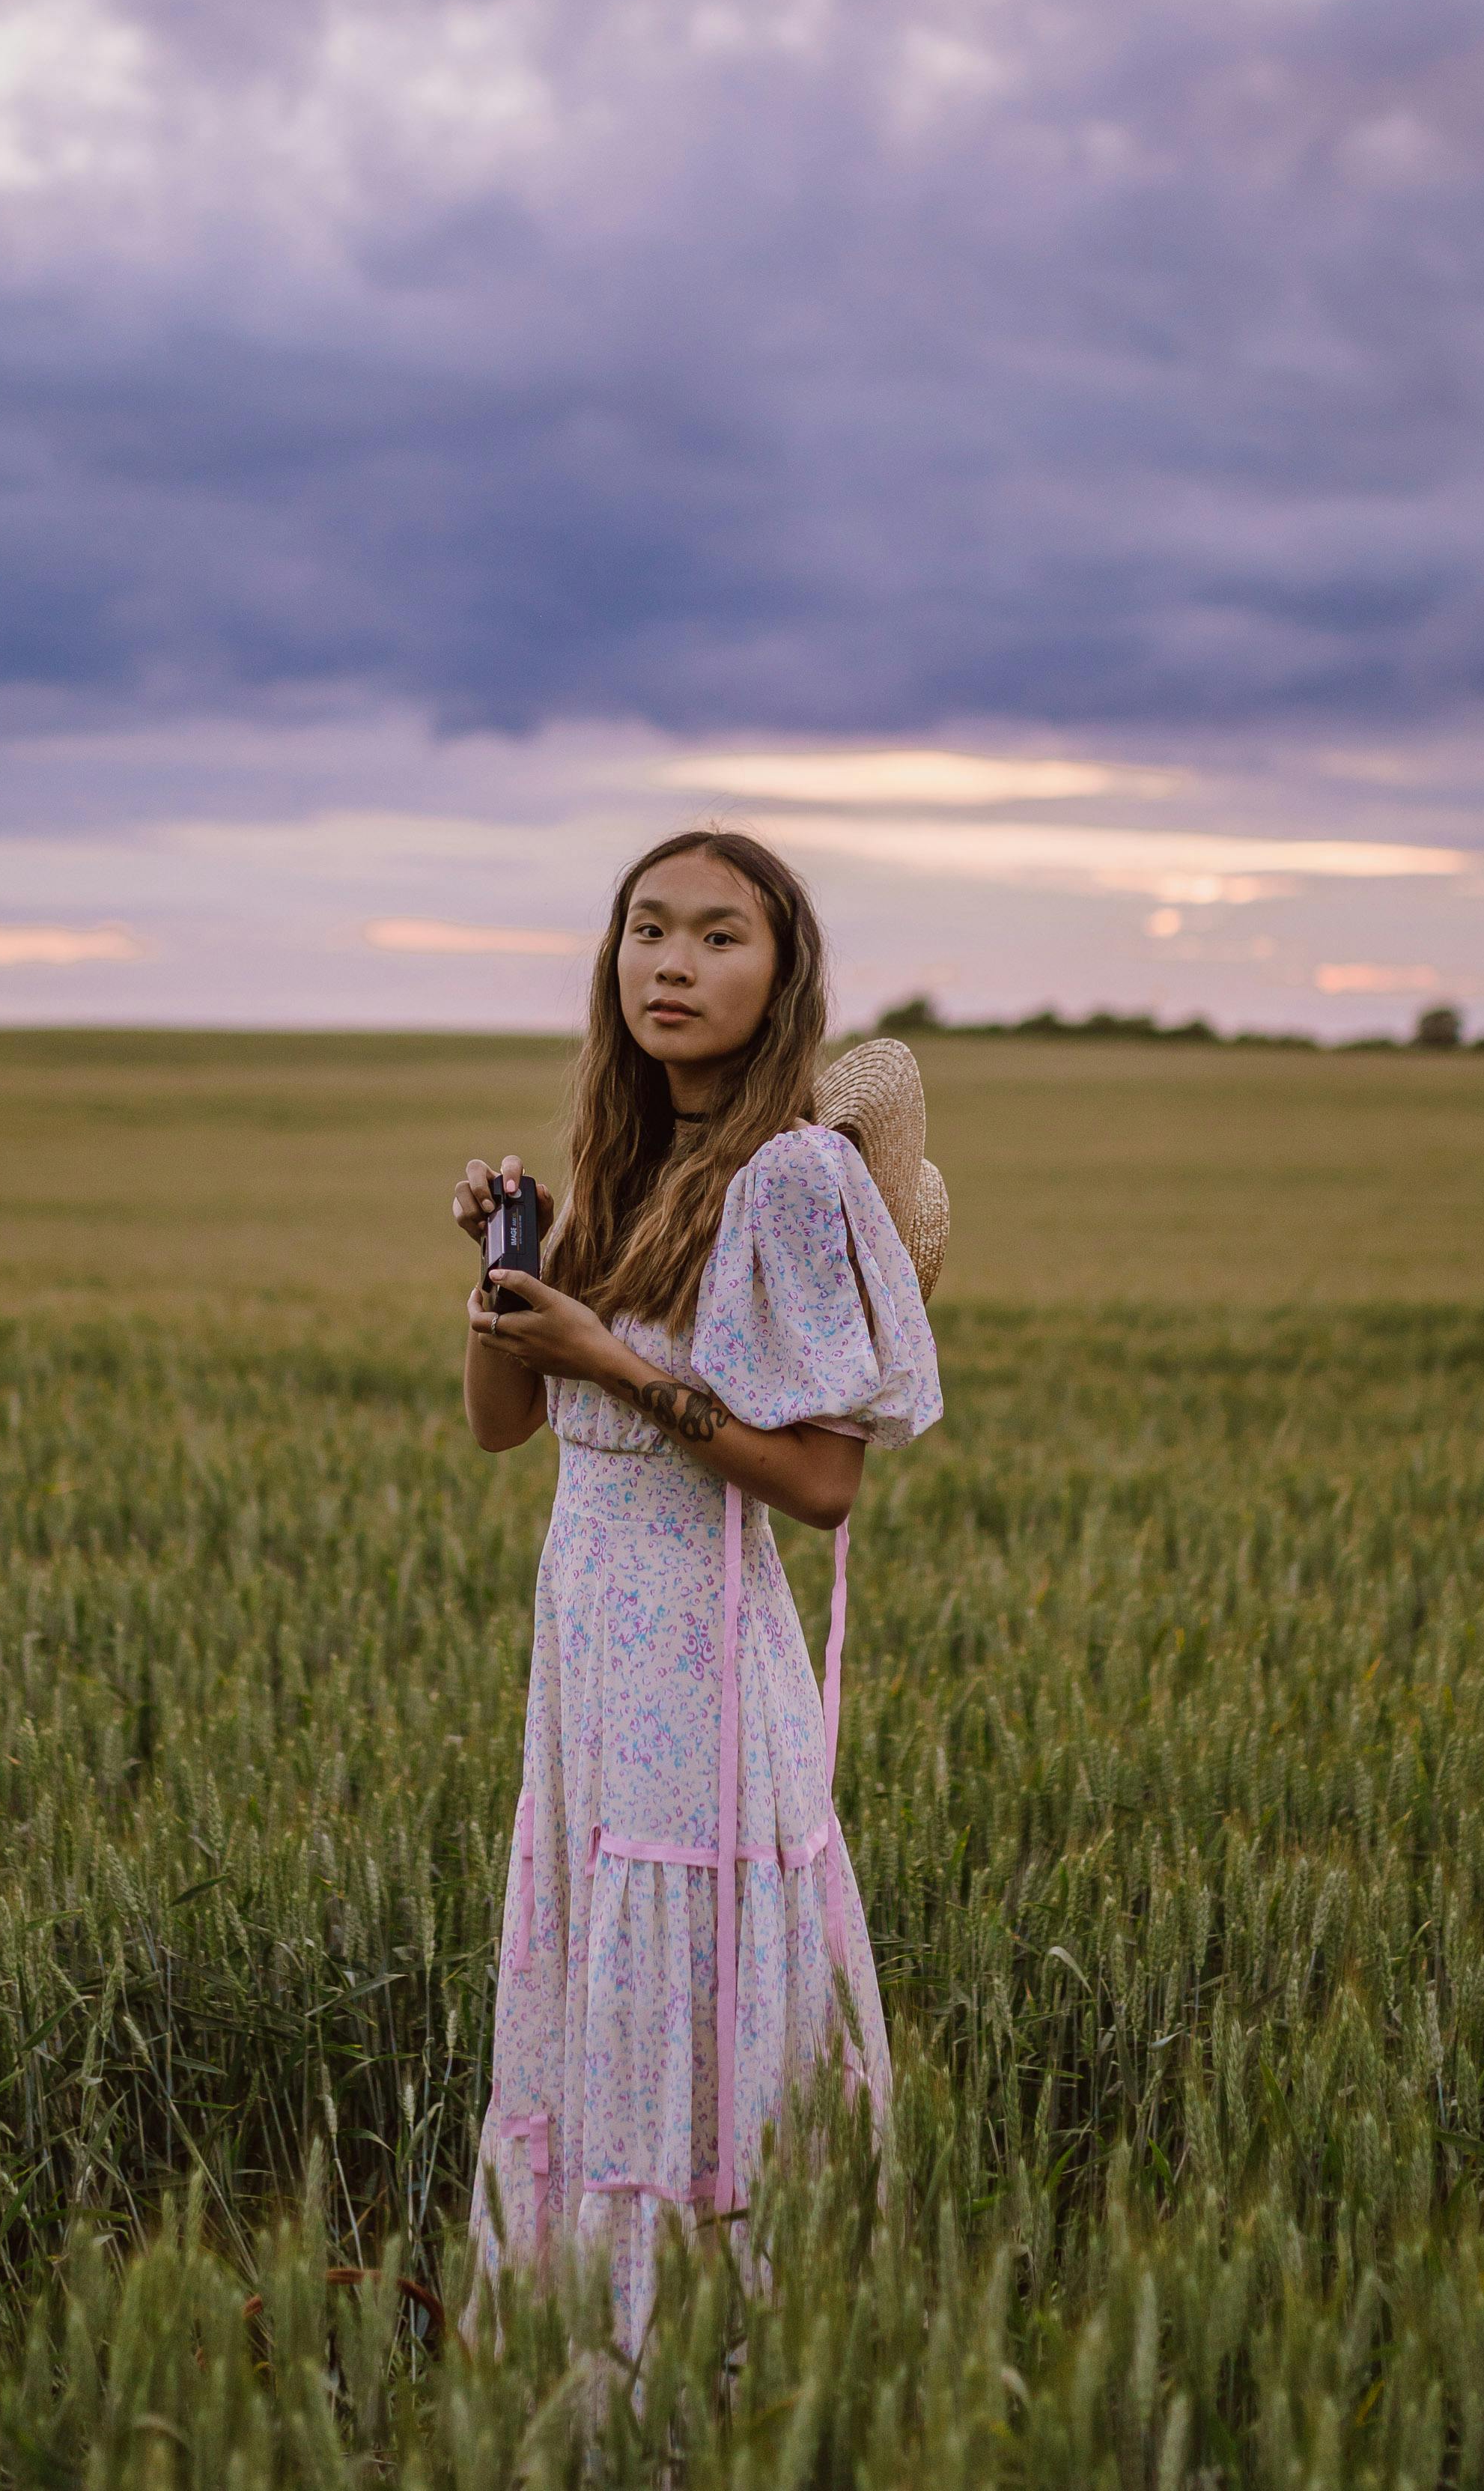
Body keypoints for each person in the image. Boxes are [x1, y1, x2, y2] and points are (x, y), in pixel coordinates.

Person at [451, 828, 945, 2349]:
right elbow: (499, 1425)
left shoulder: (789, 1178)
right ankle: (585, 2339)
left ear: (782, 974)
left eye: (718, 936)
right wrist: (501, 1285)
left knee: (682, 1978)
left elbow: (821, 1481)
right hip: (586, 1651)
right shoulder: (613, 1162)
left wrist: (609, 1356)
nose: (672, 962)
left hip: (703, 1667)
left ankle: (705, 2362)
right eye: (647, 930)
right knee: (592, 1969)